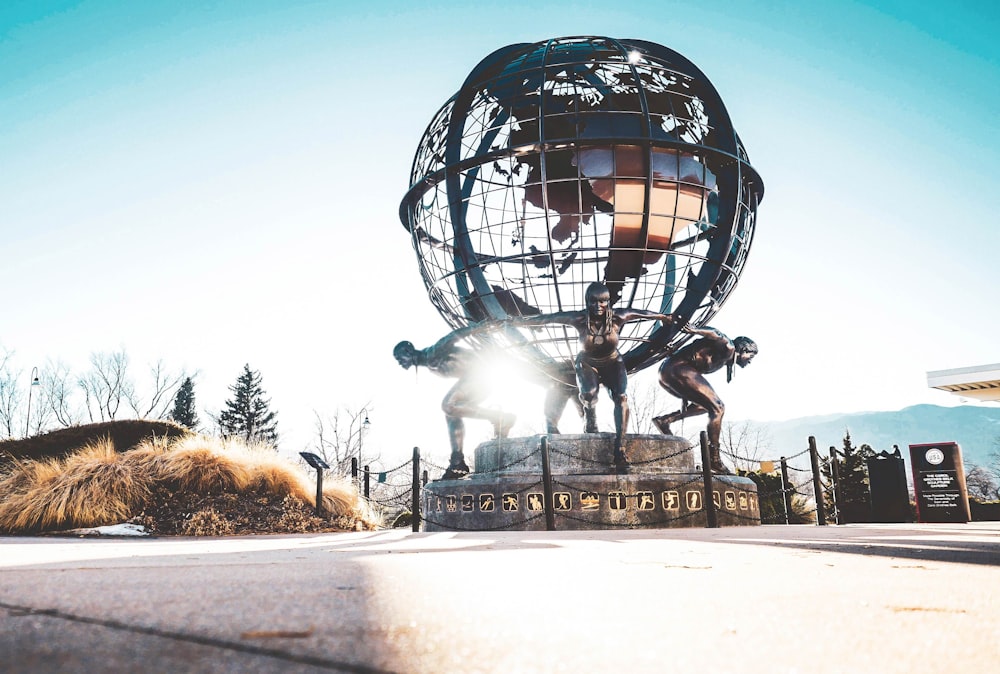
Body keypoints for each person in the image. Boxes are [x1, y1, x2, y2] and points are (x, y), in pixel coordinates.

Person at [503, 282, 674, 473]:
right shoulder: (579, 318)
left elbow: (642, 312)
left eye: (603, 302)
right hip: (587, 362)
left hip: (612, 362)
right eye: (593, 302)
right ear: (587, 301)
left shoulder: (618, 316)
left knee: (621, 397)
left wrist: (663, 317)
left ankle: (620, 448)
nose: (598, 306)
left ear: (608, 302)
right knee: (589, 395)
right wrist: (518, 322)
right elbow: (548, 319)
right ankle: (590, 416)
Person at [394, 326, 517, 480]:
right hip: (476, 380)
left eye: (400, 358)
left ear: (408, 351)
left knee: (448, 405)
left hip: (481, 375)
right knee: (451, 413)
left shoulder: (433, 352)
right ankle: (457, 462)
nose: (400, 363)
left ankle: (500, 417)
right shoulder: (429, 362)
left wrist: (481, 326)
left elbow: (455, 335)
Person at [652, 325, 758, 474]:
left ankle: (666, 420)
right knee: (718, 408)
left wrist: (685, 396)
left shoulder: (724, 356)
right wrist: (694, 329)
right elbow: (717, 334)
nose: (750, 362)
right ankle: (714, 459)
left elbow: (695, 370)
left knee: (704, 406)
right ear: (744, 351)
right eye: (750, 357)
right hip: (677, 370)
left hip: (667, 373)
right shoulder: (729, 348)